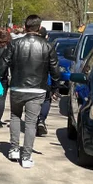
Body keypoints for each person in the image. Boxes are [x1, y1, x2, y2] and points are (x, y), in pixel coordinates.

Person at [8, 14, 60, 169]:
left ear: (25, 27)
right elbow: (54, 69)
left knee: (15, 117)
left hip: (18, 86)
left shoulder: (15, 44)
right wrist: (56, 87)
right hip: (37, 88)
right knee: (31, 123)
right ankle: (26, 156)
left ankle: (14, 149)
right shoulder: (48, 46)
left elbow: (5, 62)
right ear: (39, 27)